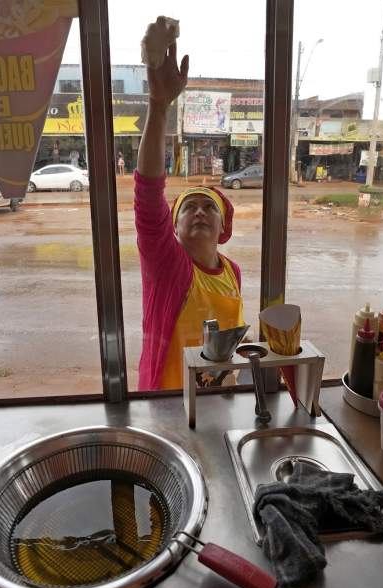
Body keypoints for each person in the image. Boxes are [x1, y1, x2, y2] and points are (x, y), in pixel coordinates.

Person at [134, 18, 243, 391]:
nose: (199, 211)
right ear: (175, 226)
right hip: (166, 405)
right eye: (188, 207)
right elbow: (148, 194)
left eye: (208, 207)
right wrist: (159, 105)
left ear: (223, 226)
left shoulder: (233, 272)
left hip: (219, 401)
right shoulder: (168, 263)